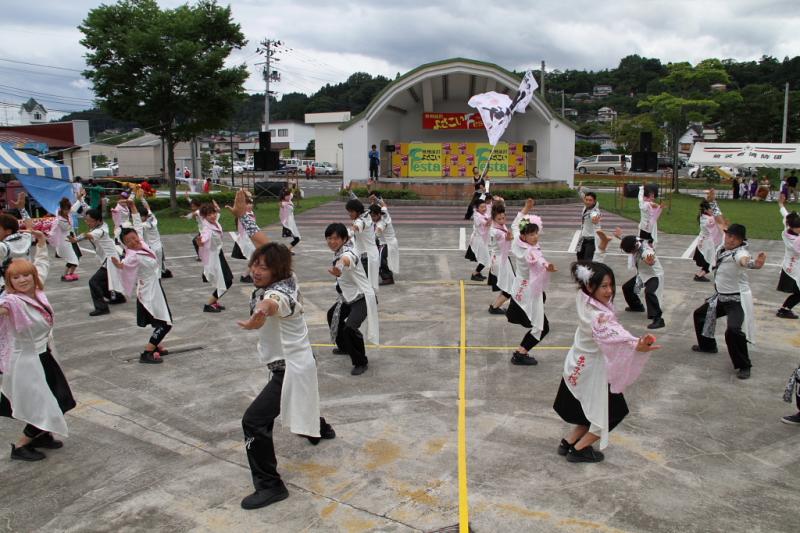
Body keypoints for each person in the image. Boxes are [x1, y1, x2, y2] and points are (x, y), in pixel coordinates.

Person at [236, 243, 335, 509]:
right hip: (295, 363)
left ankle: (270, 486)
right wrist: (244, 215)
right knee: (297, 401)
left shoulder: (281, 293)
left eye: (264, 267)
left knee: (254, 421)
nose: (256, 270)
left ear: (276, 271)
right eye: (255, 263)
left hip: (289, 369)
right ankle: (319, 429)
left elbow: (274, 302)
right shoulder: (289, 278)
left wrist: (261, 311)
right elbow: (264, 242)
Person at [553, 261, 659, 463]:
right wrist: (637, 344)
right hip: (590, 370)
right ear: (590, 286)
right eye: (604, 286)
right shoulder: (597, 317)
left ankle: (569, 442)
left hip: (578, 363)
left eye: (611, 285)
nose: (609, 291)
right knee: (612, 411)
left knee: (588, 410)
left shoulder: (583, 298)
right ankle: (579, 450)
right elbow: (613, 334)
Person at [0, 231, 77, 461]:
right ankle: (21, 446)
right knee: (46, 402)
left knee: (59, 398)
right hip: (26, 362)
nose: (23, 280)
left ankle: (41, 435)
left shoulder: (37, 292)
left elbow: (42, 264)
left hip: (44, 355)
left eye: (26, 275)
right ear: (9, 282)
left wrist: (42, 243)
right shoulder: (11, 301)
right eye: (16, 278)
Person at [691, 224, 767, 380]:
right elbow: (721, 225)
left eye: (735, 238)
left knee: (733, 330)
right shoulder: (723, 248)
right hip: (721, 297)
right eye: (729, 235)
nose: (731, 240)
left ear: (741, 241)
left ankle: (744, 365)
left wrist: (754, 264)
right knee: (700, 315)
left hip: (736, 300)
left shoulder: (739, 253)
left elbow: (744, 260)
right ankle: (708, 346)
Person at [111, 201, 172, 364]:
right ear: (125, 244)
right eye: (128, 240)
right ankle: (147, 352)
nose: (133, 241)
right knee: (166, 323)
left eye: (134, 237)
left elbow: (137, 224)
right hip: (149, 290)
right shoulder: (132, 255)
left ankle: (156, 345)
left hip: (154, 286)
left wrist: (132, 207)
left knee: (159, 320)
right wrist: (120, 265)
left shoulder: (142, 244)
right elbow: (125, 265)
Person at [324, 223, 379, 376]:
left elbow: (347, 259)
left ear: (344, 239)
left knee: (350, 328)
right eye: (329, 238)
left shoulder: (348, 252)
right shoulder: (340, 247)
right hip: (347, 298)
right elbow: (349, 231)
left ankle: (361, 361)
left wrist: (339, 267)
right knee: (332, 315)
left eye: (335, 238)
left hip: (362, 298)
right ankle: (344, 347)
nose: (331, 241)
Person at [506, 206, 557, 366]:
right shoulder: (529, 252)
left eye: (536, 233)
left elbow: (514, 224)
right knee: (542, 326)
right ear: (524, 236)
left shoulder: (516, 241)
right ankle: (520, 354)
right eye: (531, 234)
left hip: (520, 285)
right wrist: (547, 266)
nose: (535, 237)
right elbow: (538, 260)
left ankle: (519, 318)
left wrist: (525, 209)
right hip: (528, 288)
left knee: (539, 304)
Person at [69, 206, 127, 316]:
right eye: (86, 220)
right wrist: (81, 199)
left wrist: (76, 239)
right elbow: (86, 208)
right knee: (103, 282)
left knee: (94, 282)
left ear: (98, 220)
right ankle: (118, 297)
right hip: (109, 259)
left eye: (90, 221)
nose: (87, 223)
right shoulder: (100, 225)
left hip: (111, 261)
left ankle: (102, 308)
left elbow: (89, 235)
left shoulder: (101, 231)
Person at [618, 230, 665, 330]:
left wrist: (650, 261)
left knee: (650, 293)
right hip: (642, 274)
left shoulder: (645, 251)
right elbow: (628, 240)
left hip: (653, 276)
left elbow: (649, 256)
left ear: (633, 248)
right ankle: (637, 306)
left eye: (628, 251)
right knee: (627, 287)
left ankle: (658, 319)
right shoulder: (635, 242)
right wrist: (620, 236)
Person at [197, 202, 233, 313]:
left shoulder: (214, 221)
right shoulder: (207, 229)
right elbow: (203, 239)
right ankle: (208, 304)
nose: (213, 216)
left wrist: (217, 208)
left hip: (219, 254)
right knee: (227, 281)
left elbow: (218, 214)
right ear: (204, 217)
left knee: (226, 280)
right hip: (214, 257)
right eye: (209, 214)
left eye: (213, 213)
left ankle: (213, 302)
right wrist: (201, 243)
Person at [345, 196, 380, 293]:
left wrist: (346, 236)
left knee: (365, 287)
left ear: (357, 211)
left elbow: (356, 227)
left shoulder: (362, 221)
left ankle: (368, 305)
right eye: (349, 211)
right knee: (363, 286)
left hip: (367, 257)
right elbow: (358, 200)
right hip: (363, 255)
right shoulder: (365, 213)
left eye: (351, 212)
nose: (349, 214)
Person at [486, 200, 514, 314]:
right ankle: (495, 307)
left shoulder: (495, 226)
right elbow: (505, 240)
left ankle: (494, 306)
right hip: (500, 261)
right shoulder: (497, 232)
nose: (502, 221)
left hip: (499, 259)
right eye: (499, 219)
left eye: (503, 218)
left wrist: (500, 203)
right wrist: (508, 238)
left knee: (508, 286)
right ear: (494, 219)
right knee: (511, 289)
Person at [775, 195, 800, 319]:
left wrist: (781, 204)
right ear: (793, 227)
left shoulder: (789, 224)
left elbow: (785, 215)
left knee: (798, 292)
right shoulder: (794, 240)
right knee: (799, 292)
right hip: (793, 267)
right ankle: (784, 310)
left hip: (792, 265)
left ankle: (784, 309)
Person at [48, 197, 83, 282]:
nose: (67, 211)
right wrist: (69, 221)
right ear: (62, 209)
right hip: (65, 240)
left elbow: (74, 208)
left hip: (72, 238)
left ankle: (71, 273)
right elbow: (66, 228)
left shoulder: (68, 213)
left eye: (68, 209)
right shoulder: (59, 219)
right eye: (66, 210)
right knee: (72, 258)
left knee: (77, 256)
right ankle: (64, 275)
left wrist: (79, 199)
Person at [136, 196, 172, 279]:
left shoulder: (144, 225)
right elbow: (147, 207)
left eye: (139, 216)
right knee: (157, 269)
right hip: (158, 247)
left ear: (144, 216)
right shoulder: (153, 218)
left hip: (151, 249)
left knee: (152, 270)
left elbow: (136, 226)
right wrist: (142, 197)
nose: (138, 218)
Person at [368, 198, 399, 285]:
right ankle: (385, 275)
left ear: (378, 214)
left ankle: (388, 278)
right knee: (378, 258)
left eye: (374, 216)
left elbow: (377, 233)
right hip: (388, 242)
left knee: (379, 260)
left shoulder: (381, 223)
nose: (372, 218)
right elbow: (384, 205)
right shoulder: (385, 213)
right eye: (371, 216)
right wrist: (376, 199)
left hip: (386, 244)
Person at [465, 195, 492, 281]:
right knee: (486, 258)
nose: (484, 208)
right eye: (482, 207)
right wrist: (493, 215)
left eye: (485, 207)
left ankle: (478, 273)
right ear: (477, 208)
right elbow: (487, 223)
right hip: (478, 240)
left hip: (482, 239)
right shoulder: (477, 216)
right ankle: (475, 274)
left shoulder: (484, 214)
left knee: (483, 257)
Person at [576, 185, 601, 261]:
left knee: (588, 261)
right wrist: (579, 189)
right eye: (586, 200)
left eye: (590, 200)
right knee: (579, 257)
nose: (587, 202)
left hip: (592, 240)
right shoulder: (586, 206)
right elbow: (582, 196)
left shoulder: (594, 211)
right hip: (583, 238)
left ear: (594, 201)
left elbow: (595, 216)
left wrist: (595, 220)